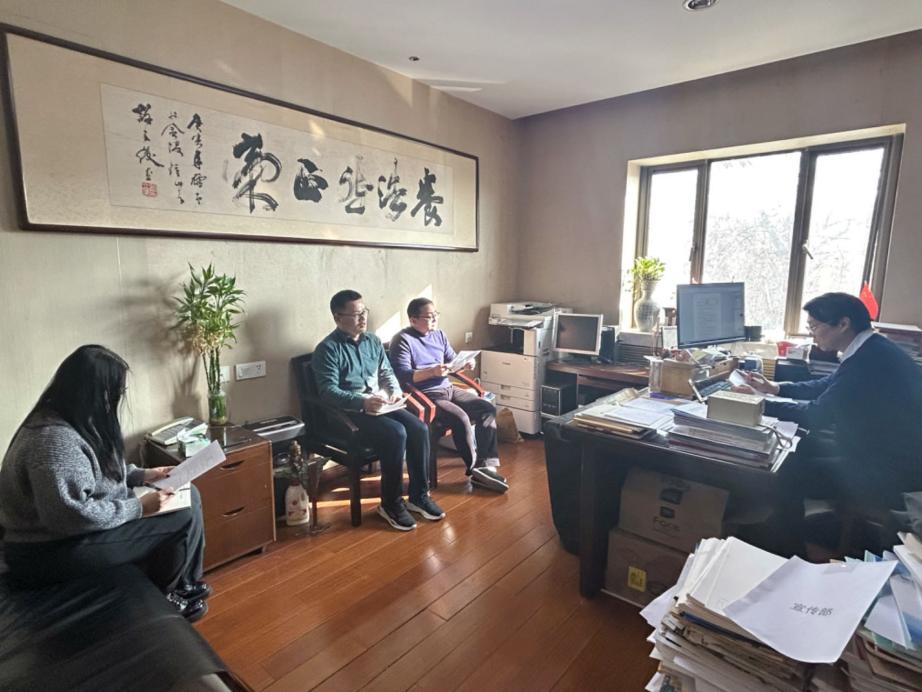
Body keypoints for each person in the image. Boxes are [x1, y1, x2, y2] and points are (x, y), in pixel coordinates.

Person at [0, 345, 210, 622]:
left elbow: (94, 470)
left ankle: (186, 583)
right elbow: (68, 517)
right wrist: (138, 508)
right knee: (179, 518)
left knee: (188, 493)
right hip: (48, 552)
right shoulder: (53, 441)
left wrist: (142, 475)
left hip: (69, 535)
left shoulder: (74, 420)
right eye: (114, 392)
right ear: (93, 393)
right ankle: (166, 595)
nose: (116, 400)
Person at [733, 293, 922, 548]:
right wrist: (774, 388)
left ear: (843, 324)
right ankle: (781, 527)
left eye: (815, 327)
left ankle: (786, 546)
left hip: (889, 472)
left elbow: (817, 415)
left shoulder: (868, 360)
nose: (812, 335)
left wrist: (759, 403)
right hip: (880, 451)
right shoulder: (872, 348)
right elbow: (827, 385)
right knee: (800, 449)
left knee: (787, 473)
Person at [312, 290, 443, 531]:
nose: (363, 318)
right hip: (350, 411)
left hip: (380, 404)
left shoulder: (372, 341)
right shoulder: (327, 349)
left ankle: (418, 495)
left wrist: (394, 391)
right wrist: (362, 402)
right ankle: (390, 504)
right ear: (337, 317)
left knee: (419, 428)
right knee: (396, 433)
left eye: (364, 312)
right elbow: (328, 392)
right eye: (356, 314)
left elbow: (386, 372)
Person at [390, 298, 509, 493]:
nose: (434, 320)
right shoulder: (402, 340)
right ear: (413, 319)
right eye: (429, 317)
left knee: (486, 408)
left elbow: (452, 361)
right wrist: (432, 372)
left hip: (448, 388)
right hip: (426, 396)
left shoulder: (439, 335)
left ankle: (486, 466)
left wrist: (464, 364)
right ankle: (474, 469)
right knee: (460, 417)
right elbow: (403, 376)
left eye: (435, 315)